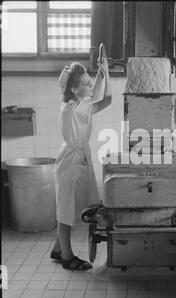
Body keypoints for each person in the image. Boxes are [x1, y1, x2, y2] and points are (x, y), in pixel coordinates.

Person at [50, 53, 112, 270]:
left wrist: (102, 72)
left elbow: (95, 92)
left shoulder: (73, 104)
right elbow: (107, 99)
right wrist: (106, 74)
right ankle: (67, 257)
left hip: (73, 156)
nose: (91, 84)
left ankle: (58, 249)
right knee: (66, 211)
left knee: (68, 208)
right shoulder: (76, 108)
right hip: (71, 160)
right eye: (86, 83)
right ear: (75, 90)